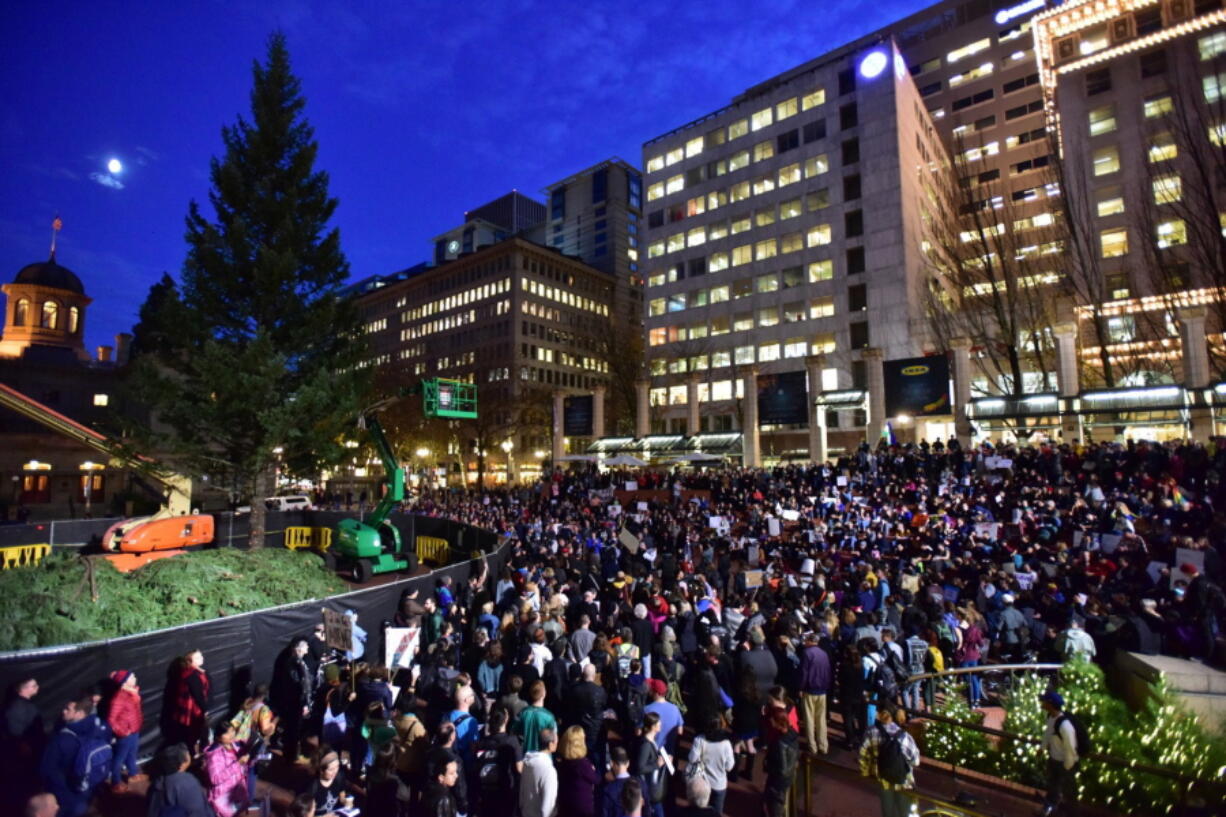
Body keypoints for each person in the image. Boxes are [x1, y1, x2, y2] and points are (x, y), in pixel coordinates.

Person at [40, 693, 106, 817]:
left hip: (64, 795)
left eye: (68, 709)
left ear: (80, 714)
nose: (63, 711)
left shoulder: (61, 739)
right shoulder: (99, 730)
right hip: (86, 791)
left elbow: (46, 769)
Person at [858, 706, 921, 817]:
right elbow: (915, 761)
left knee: (887, 812)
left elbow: (863, 753)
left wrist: (865, 772)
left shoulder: (871, 731)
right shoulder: (904, 736)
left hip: (883, 777)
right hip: (903, 781)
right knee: (905, 812)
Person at [4, 677, 45, 811]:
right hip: (22, 759)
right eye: (33, 686)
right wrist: (23, 745)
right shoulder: (17, 708)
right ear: (24, 689)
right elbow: (15, 732)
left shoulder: (25, 706)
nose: (37, 687)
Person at [473, 706, 523, 817]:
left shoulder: (483, 742)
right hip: (505, 790)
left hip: (485, 790)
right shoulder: (512, 741)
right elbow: (519, 768)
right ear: (505, 720)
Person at [270, 637, 313, 762]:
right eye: (305, 646)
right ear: (299, 649)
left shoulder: (297, 662)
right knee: (292, 729)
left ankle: (291, 753)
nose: (308, 648)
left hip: (295, 702)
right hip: (295, 703)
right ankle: (291, 755)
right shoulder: (294, 664)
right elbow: (299, 684)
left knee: (294, 728)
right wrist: (304, 702)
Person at [146, 743, 213, 817]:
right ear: (182, 765)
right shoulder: (186, 782)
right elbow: (198, 811)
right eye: (188, 754)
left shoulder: (157, 781)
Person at [1040, 691, 1080, 816]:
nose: (1043, 702)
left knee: (1065, 792)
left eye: (1045, 701)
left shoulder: (1065, 725)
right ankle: (1048, 812)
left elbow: (1070, 748)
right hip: (1054, 760)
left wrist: (1067, 766)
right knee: (1052, 789)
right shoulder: (1052, 718)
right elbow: (1048, 734)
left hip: (1064, 763)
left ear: (1050, 704)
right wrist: (1042, 748)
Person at [687, 715, 735, 816]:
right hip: (719, 784)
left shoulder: (700, 739)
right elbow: (729, 766)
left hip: (702, 784)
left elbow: (692, 758)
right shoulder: (726, 744)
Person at [203, 718, 249, 817]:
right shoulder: (215, 756)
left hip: (236, 792)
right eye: (227, 733)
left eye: (232, 731)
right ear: (219, 737)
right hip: (223, 796)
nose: (231, 735)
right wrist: (238, 764)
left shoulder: (235, 745)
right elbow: (215, 779)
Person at [106, 670, 143, 791]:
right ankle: (115, 782)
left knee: (132, 753)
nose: (135, 678)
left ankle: (133, 774)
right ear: (124, 681)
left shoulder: (133, 693)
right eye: (132, 677)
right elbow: (111, 719)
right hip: (126, 733)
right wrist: (122, 731)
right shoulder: (119, 698)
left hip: (134, 730)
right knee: (119, 758)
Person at [168, 649, 210, 753]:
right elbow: (198, 695)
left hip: (195, 711)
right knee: (195, 735)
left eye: (201, 656)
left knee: (197, 734)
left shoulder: (198, 673)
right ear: (191, 661)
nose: (202, 658)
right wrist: (205, 710)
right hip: (193, 713)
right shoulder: (192, 676)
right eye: (197, 657)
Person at [797, 632, 831, 755]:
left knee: (809, 719)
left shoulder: (806, 653)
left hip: (810, 689)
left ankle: (812, 745)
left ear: (810, 641)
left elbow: (804, 673)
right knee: (821, 719)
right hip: (822, 690)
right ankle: (823, 745)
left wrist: (800, 688)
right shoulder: (824, 654)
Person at [763, 708, 800, 817]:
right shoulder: (793, 733)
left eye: (772, 720)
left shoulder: (780, 743)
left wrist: (768, 766)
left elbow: (782, 770)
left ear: (778, 722)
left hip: (778, 782)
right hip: (789, 776)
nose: (770, 722)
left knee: (774, 808)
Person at [558, 724, 600, 817]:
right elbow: (596, 780)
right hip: (582, 808)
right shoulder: (583, 764)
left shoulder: (562, 762)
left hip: (566, 805)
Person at [633, 713, 667, 817]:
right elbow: (640, 767)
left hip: (650, 786)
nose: (661, 724)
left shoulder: (651, 740)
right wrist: (657, 764)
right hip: (649, 787)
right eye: (658, 722)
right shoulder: (646, 745)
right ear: (653, 726)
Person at [520, 726, 559, 817]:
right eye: (556, 742)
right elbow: (548, 806)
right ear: (550, 744)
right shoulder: (549, 770)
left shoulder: (527, 762)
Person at [514, 680, 557, 754]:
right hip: (543, 757)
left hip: (525, 756)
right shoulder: (549, 716)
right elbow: (554, 739)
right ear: (544, 694)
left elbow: (514, 733)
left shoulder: (522, 713)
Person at [304, 749, 350, 815]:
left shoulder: (339, 777)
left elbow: (342, 796)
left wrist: (345, 802)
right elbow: (305, 814)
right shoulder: (312, 787)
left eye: (337, 766)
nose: (335, 771)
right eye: (331, 769)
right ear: (321, 770)